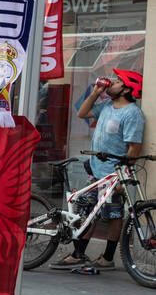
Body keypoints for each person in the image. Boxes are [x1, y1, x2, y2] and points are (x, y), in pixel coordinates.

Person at [53, 67, 145, 270]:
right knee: (87, 213)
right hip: (95, 171)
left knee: (112, 215)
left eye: (118, 81)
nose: (112, 82)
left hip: (113, 174)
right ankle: (79, 254)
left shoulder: (132, 113)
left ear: (127, 90)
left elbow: (134, 147)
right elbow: (82, 113)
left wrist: (123, 176)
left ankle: (108, 258)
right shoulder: (106, 105)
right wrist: (95, 93)